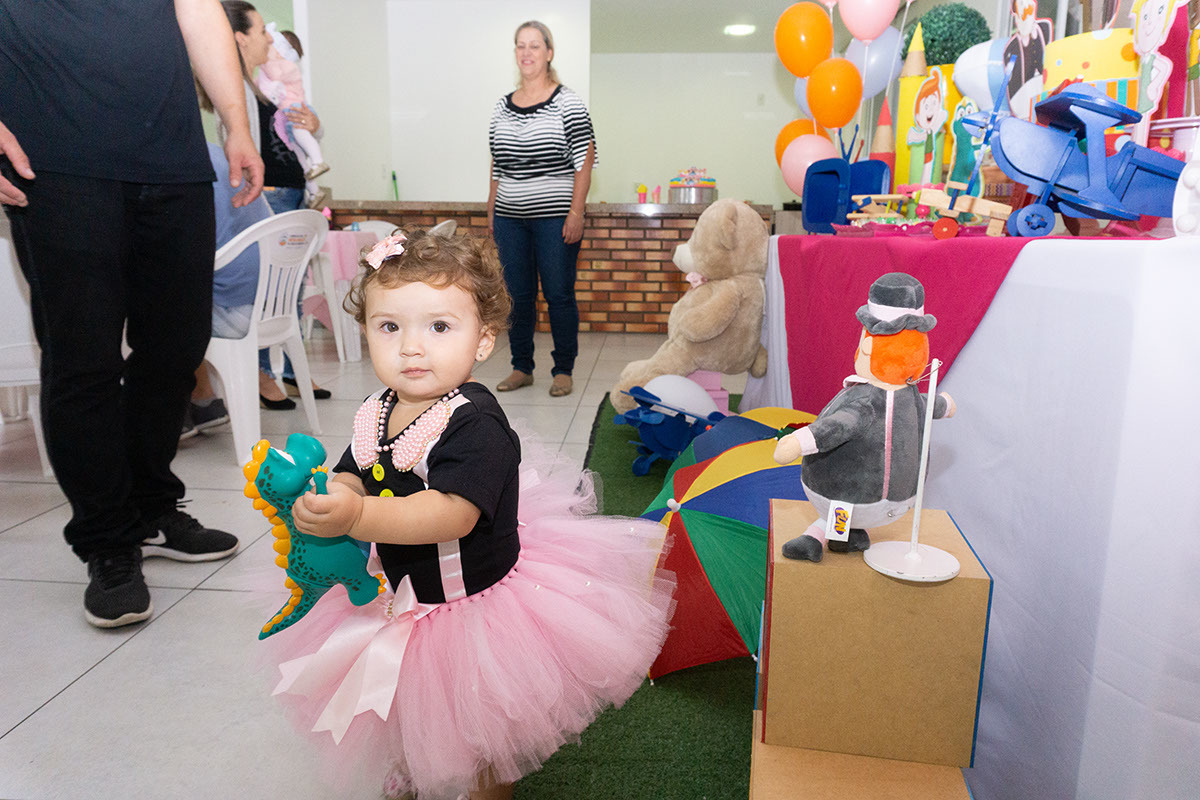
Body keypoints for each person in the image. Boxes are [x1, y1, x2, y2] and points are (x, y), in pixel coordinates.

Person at [275, 229, 675, 800]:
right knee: (406, 699)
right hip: (399, 592)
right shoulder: (376, 409)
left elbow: (449, 514)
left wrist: (356, 517)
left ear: (483, 341)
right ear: (366, 332)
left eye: (439, 327)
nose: (411, 348)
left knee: (481, 722)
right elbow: (353, 468)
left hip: (471, 607)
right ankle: (418, 762)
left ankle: (487, 787)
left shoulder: (475, 424)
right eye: (390, 327)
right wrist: (335, 494)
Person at [0, 0, 263, 628]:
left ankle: (150, 508)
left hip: (172, 158)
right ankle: (108, 540)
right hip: (54, 161)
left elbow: (197, 12)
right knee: (83, 359)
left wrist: (235, 122)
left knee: (177, 346)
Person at [200, 0, 330, 407]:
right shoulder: (232, 91)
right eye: (261, 32)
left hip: (289, 192)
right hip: (266, 194)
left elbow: (289, 135)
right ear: (239, 39)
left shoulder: (263, 85)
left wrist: (314, 127)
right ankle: (262, 374)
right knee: (267, 289)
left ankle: (289, 372)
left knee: (289, 290)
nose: (269, 40)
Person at [488, 20, 596, 398]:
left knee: (558, 295)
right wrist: (492, 211)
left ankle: (563, 370)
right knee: (517, 297)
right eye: (521, 45)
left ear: (549, 53)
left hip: (555, 218)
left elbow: (585, 160)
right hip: (510, 218)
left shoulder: (568, 102)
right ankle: (522, 367)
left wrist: (576, 213)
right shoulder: (502, 107)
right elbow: (497, 164)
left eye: (534, 45)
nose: (527, 52)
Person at [257, 27, 330, 185]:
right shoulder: (259, 85)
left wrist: (316, 128)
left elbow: (312, 130)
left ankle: (313, 181)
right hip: (270, 179)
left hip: (289, 180)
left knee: (300, 149)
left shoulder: (290, 94)